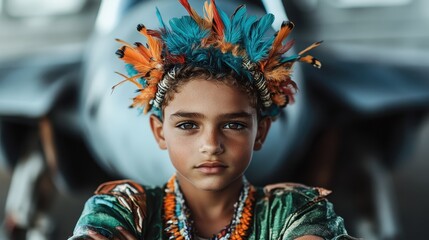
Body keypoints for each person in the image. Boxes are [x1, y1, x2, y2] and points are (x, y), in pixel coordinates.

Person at [69, 0, 355, 239]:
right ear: (159, 131)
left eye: (234, 124)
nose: (211, 144)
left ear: (261, 131)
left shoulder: (298, 211)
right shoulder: (119, 209)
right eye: (187, 124)